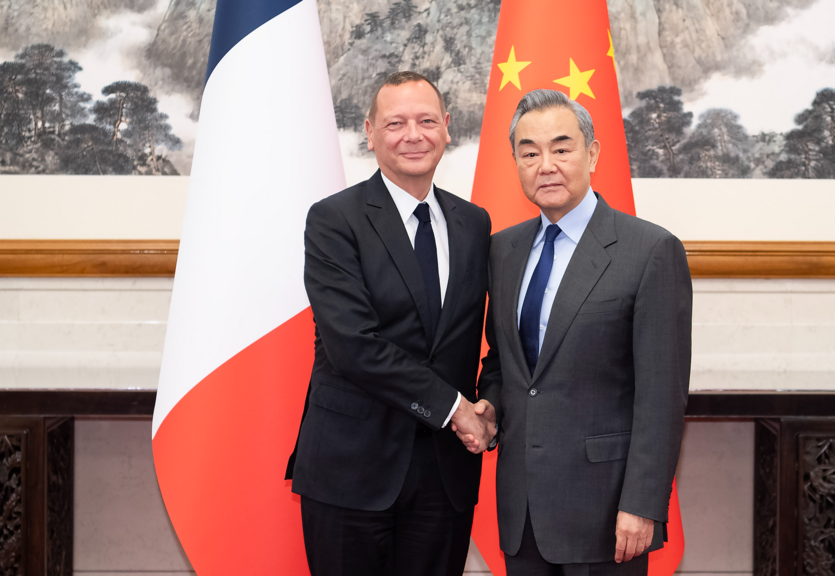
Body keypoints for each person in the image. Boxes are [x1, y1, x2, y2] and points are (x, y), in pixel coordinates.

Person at [463, 89, 691, 575]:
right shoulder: (502, 251)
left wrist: (643, 503)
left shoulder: (650, 250)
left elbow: (662, 396)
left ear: (592, 153)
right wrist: (491, 405)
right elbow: (505, 362)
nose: (546, 165)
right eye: (529, 153)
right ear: (516, 162)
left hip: (607, 515)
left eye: (561, 149)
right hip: (522, 512)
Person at [285, 71, 497, 576]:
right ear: (370, 132)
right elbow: (353, 345)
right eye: (395, 123)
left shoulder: (475, 224)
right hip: (351, 469)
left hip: (444, 475)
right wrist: (456, 409)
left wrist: (491, 404)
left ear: (447, 127)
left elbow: (493, 336)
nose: (413, 135)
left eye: (427, 121)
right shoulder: (334, 220)